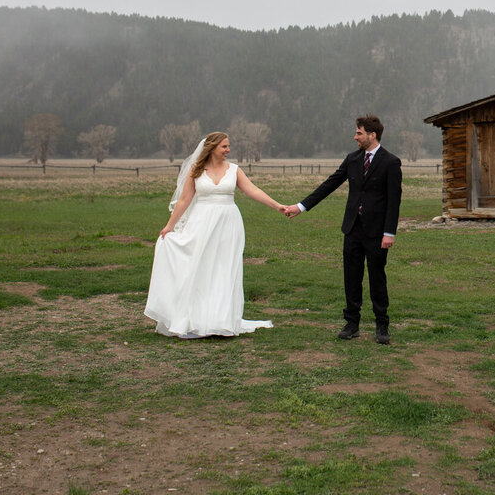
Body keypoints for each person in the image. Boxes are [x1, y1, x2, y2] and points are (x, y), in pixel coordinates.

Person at [145, 132, 288, 338]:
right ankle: (196, 318)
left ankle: (221, 320)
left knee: (224, 268)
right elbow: (185, 200)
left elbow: (252, 190)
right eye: (224, 147)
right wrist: (169, 226)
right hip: (201, 224)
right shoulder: (196, 171)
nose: (228, 150)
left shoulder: (234, 170)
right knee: (200, 268)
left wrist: (277, 206)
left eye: (228, 146)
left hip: (228, 225)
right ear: (212, 148)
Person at [284, 115, 401, 344]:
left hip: (377, 233)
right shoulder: (352, 159)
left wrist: (389, 233)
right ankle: (352, 323)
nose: (354, 137)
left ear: (372, 134)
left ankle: (382, 325)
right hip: (352, 229)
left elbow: (394, 201)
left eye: (358, 133)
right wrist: (301, 206)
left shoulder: (390, 162)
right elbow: (329, 184)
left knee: (377, 278)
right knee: (351, 277)